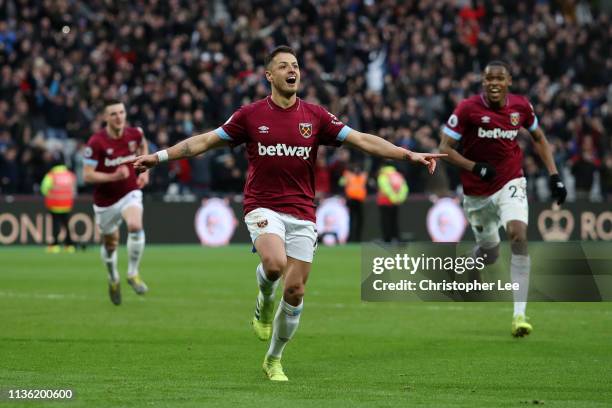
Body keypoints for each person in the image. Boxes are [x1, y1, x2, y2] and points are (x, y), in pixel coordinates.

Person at [132, 46, 444, 381]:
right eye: (283, 66)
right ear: (269, 75)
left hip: (303, 211)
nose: (291, 70)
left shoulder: (316, 116)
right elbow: (205, 142)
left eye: (295, 65)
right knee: (275, 264)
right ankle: (264, 299)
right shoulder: (250, 116)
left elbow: (362, 141)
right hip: (262, 204)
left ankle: (273, 359)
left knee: (295, 291)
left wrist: (407, 154)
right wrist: (159, 157)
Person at [439, 61, 567, 337]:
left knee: (518, 234)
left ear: (508, 81)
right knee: (490, 253)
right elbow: (444, 149)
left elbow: (540, 138)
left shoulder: (521, 107)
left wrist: (554, 175)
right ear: (483, 83)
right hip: (476, 191)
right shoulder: (467, 109)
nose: (494, 83)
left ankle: (519, 315)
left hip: (510, 180)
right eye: (489, 79)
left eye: (499, 78)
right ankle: (470, 263)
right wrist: (475, 167)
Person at [83, 100, 150, 306]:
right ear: (106, 118)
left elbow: (143, 144)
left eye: (121, 112)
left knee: (135, 226)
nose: (119, 117)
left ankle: (132, 273)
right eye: (113, 114)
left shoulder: (134, 134)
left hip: (130, 192)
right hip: (105, 202)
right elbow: (87, 176)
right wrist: (113, 176)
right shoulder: (96, 143)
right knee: (110, 245)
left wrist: (144, 171)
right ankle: (113, 278)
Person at [41, 155, 77, 253]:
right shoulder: (70, 175)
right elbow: (73, 189)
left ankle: (55, 245)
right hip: (67, 204)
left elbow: (44, 189)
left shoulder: (51, 175)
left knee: (55, 225)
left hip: (55, 204)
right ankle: (69, 246)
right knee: (67, 225)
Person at [376, 163, 408, 243]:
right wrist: (399, 199)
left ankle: (387, 239)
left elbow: (385, 187)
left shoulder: (383, 175)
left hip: (384, 201)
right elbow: (404, 188)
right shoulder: (398, 175)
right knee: (394, 221)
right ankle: (396, 237)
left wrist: (393, 198)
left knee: (385, 221)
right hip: (396, 202)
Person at [339, 163, 367, 242]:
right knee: (351, 220)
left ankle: (357, 238)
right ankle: (351, 238)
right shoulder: (347, 174)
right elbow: (341, 184)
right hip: (351, 200)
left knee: (359, 220)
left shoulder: (362, 175)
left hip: (360, 200)